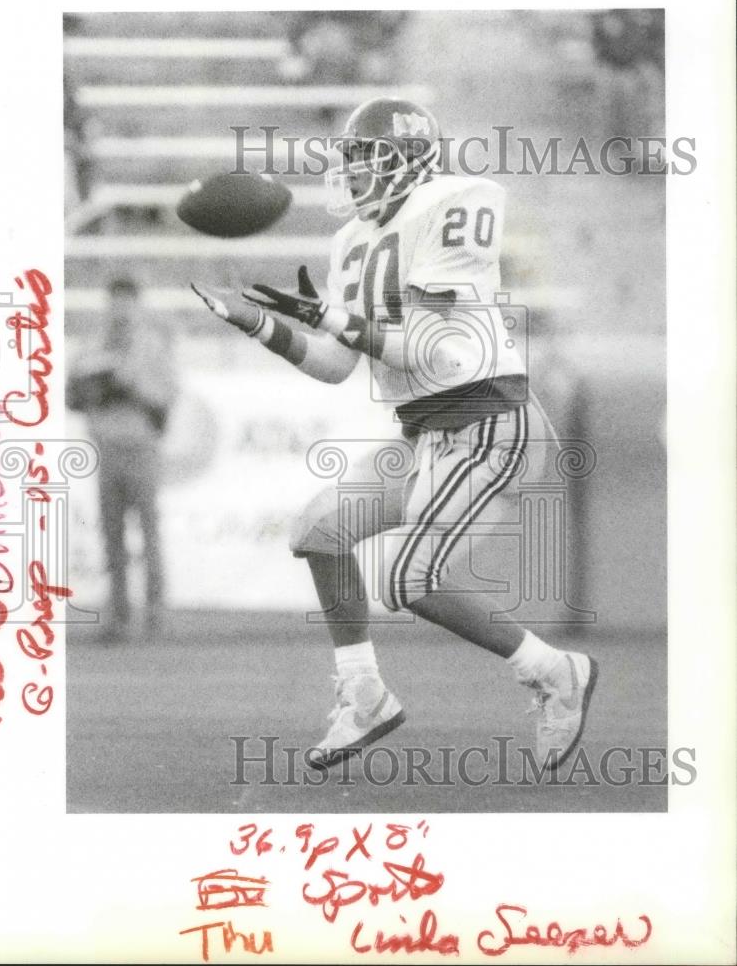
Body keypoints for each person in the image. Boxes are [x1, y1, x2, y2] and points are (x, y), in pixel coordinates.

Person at [192, 97, 597, 770]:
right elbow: (335, 363)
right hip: (426, 432)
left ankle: (556, 671)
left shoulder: (456, 203)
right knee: (318, 529)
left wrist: (331, 317)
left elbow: (439, 350)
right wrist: (258, 325)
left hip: (490, 419)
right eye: (349, 159)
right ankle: (364, 695)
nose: (351, 173)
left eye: (366, 158)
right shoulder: (351, 240)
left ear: (411, 161)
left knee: (409, 580)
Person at [67, 277, 178, 640]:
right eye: (115, 302)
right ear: (108, 304)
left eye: (127, 302)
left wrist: (131, 384)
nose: (120, 309)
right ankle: (119, 615)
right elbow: (72, 396)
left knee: (149, 533)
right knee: (112, 536)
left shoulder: (152, 346)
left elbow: (165, 401)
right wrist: (94, 386)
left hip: (141, 446)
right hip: (107, 447)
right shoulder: (92, 345)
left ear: (137, 305)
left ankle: (156, 613)